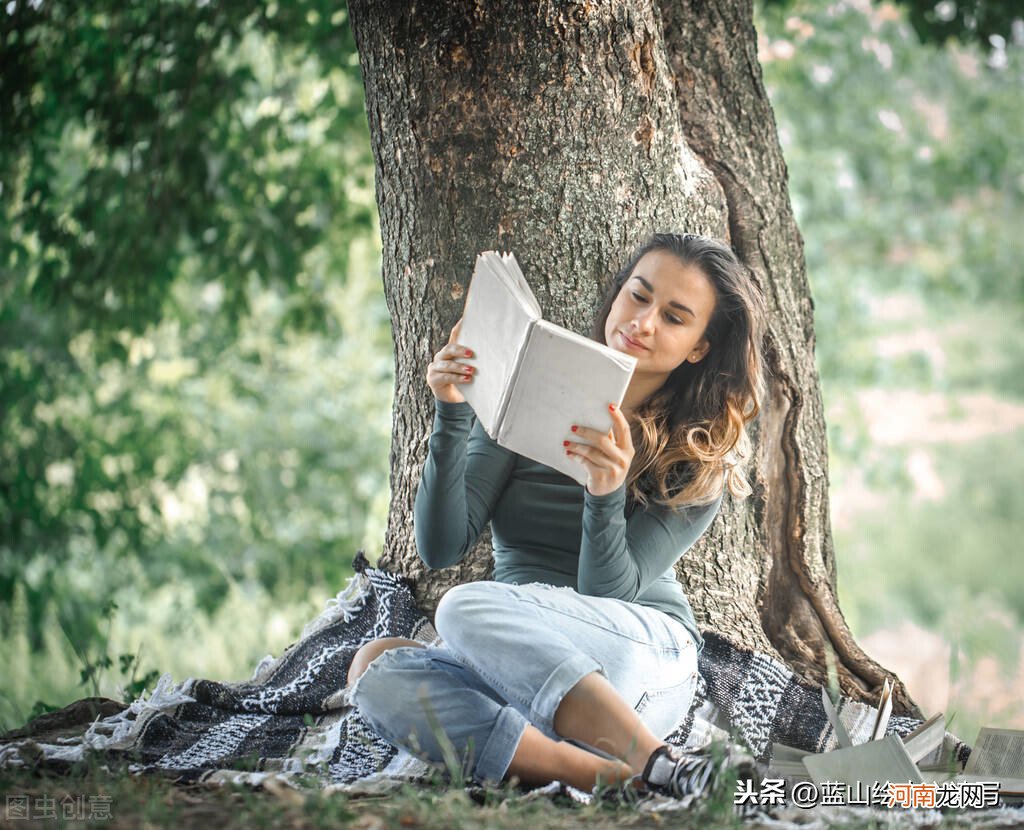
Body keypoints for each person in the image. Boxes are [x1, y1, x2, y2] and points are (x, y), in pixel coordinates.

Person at [348, 233, 765, 798]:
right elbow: (441, 546)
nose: (642, 322)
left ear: (698, 347)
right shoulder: (532, 387)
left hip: (640, 659)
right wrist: (451, 413)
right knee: (375, 668)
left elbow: (607, 595)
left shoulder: (699, 451)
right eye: (637, 296)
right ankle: (604, 775)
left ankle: (659, 761)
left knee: (463, 605)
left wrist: (605, 492)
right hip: (519, 659)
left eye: (673, 317)